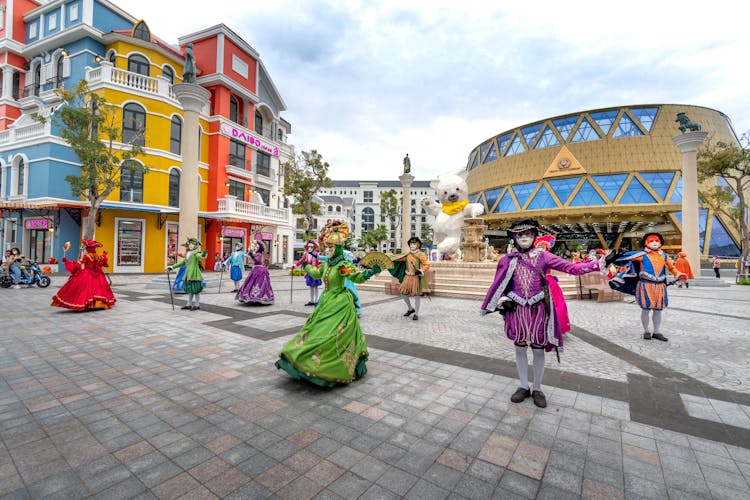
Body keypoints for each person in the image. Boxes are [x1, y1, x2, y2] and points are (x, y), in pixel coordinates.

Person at [481, 219, 607, 408]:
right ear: (514, 237)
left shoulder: (544, 256)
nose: (524, 237)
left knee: (539, 349)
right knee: (520, 347)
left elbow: (571, 268)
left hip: (539, 309)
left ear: (534, 236)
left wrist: (599, 264)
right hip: (517, 310)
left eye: (528, 234)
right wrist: (502, 301)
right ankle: (523, 386)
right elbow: (499, 284)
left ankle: (537, 388)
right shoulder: (507, 260)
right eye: (520, 234)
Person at [276, 220, 381, 387]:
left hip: (340, 303)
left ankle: (330, 365)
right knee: (317, 329)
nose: (328, 250)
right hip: (326, 301)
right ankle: (305, 358)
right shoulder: (327, 264)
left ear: (338, 248)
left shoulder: (342, 265)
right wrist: (306, 266)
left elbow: (357, 278)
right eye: (327, 247)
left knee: (334, 333)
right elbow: (317, 274)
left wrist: (371, 272)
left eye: (331, 247)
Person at [609, 232, 686, 342]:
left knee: (658, 310)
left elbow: (672, 268)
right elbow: (624, 258)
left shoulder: (664, 256)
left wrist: (679, 274)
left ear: (660, 243)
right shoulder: (641, 255)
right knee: (646, 309)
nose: (654, 242)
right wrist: (612, 257)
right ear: (645, 243)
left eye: (656, 240)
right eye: (651, 241)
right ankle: (646, 331)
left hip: (660, 286)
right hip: (646, 285)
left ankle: (656, 332)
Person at [52, 240, 116, 310]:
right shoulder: (98, 256)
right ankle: (98, 303)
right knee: (98, 289)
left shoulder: (86, 256)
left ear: (88, 248)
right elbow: (101, 263)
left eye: (86, 248)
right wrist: (104, 255)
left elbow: (78, 264)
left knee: (85, 289)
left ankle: (87, 303)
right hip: (98, 274)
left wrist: (67, 261)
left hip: (88, 274)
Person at [534, 235, 571, 335]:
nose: (541, 249)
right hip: (539, 283)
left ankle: (554, 327)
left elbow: (562, 265)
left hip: (549, 283)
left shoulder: (548, 257)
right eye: (539, 247)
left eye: (543, 247)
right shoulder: (534, 258)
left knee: (555, 304)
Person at [389, 236, 430, 321]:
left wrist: (421, 270)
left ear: (418, 244)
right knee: (403, 293)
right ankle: (410, 309)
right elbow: (398, 259)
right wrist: (389, 257)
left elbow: (427, 265)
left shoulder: (421, 254)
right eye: (411, 243)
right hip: (407, 277)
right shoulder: (407, 254)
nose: (412, 245)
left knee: (416, 295)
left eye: (414, 243)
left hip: (415, 277)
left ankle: (416, 314)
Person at [167, 238, 207, 311]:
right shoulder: (188, 253)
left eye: (193, 244)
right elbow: (182, 263)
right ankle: (188, 304)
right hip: (188, 274)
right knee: (190, 290)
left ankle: (197, 305)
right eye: (190, 243)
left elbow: (200, 256)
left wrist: (203, 255)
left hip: (194, 274)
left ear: (196, 245)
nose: (191, 245)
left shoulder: (196, 253)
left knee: (196, 290)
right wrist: (172, 267)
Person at [295, 240, 322, 306]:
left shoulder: (316, 253)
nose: (310, 248)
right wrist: (295, 265)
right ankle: (312, 301)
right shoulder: (306, 253)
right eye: (309, 246)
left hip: (315, 272)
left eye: (311, 246)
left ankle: (316, 301)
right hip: (309, 272)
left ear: (314, 247)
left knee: (315, 287)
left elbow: (320, 261)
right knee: (311, 287)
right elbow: (301, 260)